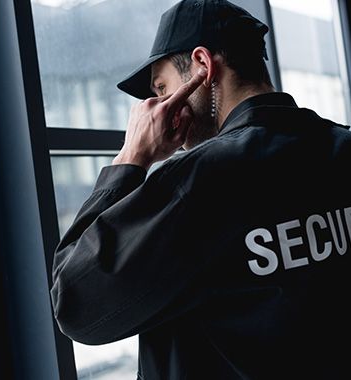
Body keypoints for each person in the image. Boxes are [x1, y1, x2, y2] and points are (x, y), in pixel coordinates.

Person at [51, 0, 351, 379]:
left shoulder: (197, 179)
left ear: (203, 66)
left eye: (162, 87)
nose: (158, 104)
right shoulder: (342, 147)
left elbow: (76, 303)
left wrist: (132, 157)